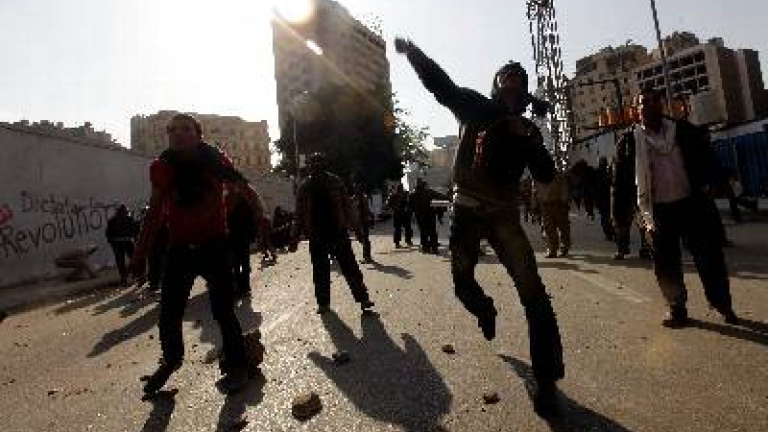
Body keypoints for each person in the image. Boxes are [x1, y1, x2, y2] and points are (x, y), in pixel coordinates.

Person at [395, 37, 564, 417]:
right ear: (495, 87)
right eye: (506, 81)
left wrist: (528, 138)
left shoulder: (528, 130)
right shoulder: (476, 108)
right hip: (467, 210)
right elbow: (440, 85)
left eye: (518, 83)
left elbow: (545, 173)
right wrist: (415, 54)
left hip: (505, 216)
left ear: (524, 94)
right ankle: (485, 310)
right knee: (462, 284)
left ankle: (547, 381)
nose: (512, 87)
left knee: (534, 294)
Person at [130, 113, 268, 395]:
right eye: (172, 130)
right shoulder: (162, 166)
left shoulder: (215, 160)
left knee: (223, 310)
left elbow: (244, 188)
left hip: (214, 245)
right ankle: (171, 360)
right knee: (169, 313)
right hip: (179, 249)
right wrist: (139, 254)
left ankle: (237, 365)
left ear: (198, 135)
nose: (177, 134)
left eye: (185, 129)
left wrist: (260, 215)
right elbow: (154, 212)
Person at [612, 88, 739, 328]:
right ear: (636, 109)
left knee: (709, 258)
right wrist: (619, 218)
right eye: (643, 102)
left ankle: (723, 304)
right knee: (666, 263)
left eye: (653, 101)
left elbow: (708, 159)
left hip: (693, 205)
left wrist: (719, 182)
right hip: (657, 212)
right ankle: (677, 308)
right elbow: (620, 183)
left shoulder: (683, 131)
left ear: (662, 104)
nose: (649, 105)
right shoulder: (629, 142)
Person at [292, 153, 375, 315]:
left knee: (349, 267)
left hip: (337, 231)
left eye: (318, 163)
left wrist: (357, 230)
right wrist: (294, 237)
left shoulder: (334, 182)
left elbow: (348, 207)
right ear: (310, 166)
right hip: (317, 234)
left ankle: (363, 299)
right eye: (314, 163)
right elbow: (299, 213)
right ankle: (324, 303)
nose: (316, 166)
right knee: (322, 270)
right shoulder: (306, 186)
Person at [535, 170, 571, 258]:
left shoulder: (559, 176)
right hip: (545, 205)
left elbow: (564, 189)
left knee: (563, 227)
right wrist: (535, 205)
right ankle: (552, 250)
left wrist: (564, 202)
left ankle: (564, 247)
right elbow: (535, 191)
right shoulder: (537, 176)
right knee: (548, 228)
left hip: (558, 204)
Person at [106, 204, 137, 286]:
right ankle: (131, 274)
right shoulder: (129, 219)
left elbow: (108, 234)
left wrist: (112, 243)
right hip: (126, 241)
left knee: (121, 261)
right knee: (134, 258)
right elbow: (134, 230)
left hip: (118, 243)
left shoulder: (112, 220)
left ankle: (124, 277)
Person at [411, 178, 441, 254]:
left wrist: (413, 215)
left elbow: (410, 206)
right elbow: (441, 197)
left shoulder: (412, 194)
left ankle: (425, 248)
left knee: (423, 232)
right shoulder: (429, 192)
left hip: (420, 216)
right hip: (430, 215)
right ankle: (434, 248)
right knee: (432, 232)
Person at [350, 179, 374, 263]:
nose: (355, 189)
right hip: (357, 222)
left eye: (356, 187)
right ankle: (367, 256)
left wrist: (369, 216)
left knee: (364, 239)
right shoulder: (354, 197)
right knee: (361, 238)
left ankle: (367, 257)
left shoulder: (363, 197)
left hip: (363, 221)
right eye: (354, 187)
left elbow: (366, 209)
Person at [386, 183, 413, 248]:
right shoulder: (405, 194)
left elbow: (388, 204)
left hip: (397, 214)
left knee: (398, 229)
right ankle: (408, 241)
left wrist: (394, 208)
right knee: (407, 228)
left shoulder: (393, 195)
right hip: (404, 214)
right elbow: (409, 203)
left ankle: (397, 243)